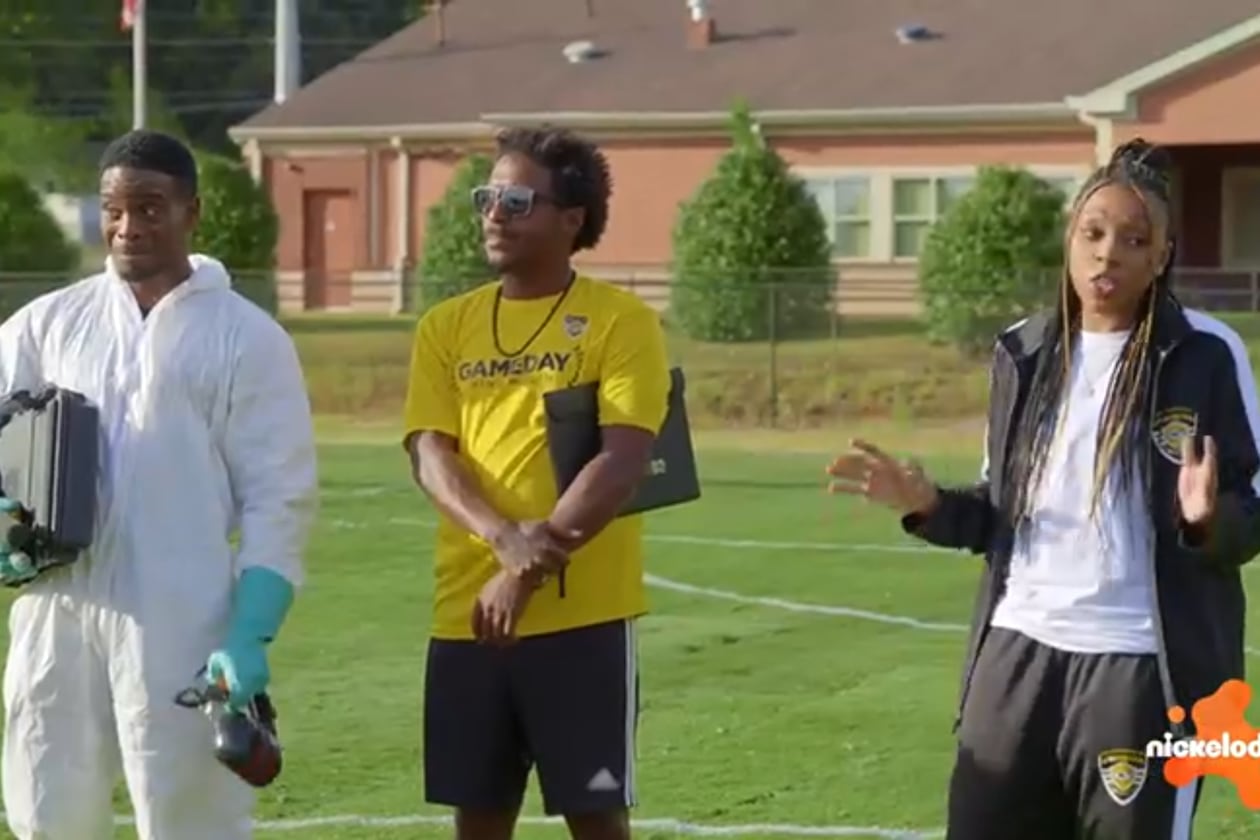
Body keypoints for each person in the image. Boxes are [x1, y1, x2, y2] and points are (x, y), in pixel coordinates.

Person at [826, 139, 1260, 839]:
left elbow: (1248, 515)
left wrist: (1206, 520)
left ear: (1162, 255)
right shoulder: (1022, 353)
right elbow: (999, 517)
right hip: (1016, 651)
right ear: (1070, 241)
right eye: (1092, 233)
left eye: (1132, 238)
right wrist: (929, 505)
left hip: (1140, 665)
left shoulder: (1205, 355)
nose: (1106, 254)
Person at [0, 130, 318, 839]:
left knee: (187, 818)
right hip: (59, 605)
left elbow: (280, 494)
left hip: (183, 616)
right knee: (46, 810)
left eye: (149, 208)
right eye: (114, 209)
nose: (128, 226)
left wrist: (250, 630)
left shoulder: (247, 337)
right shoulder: (48, 323)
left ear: (191, 212)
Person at [402, 126, 671, 840]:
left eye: (517, 199)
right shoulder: (445, 326)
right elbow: (430, 451)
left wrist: (525, 569)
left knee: (595, 819)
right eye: (487, 197)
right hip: (468, 615)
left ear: (571, 218)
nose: (494, 212)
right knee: (479, 817)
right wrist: (499, 539)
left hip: (582, 622)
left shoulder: (623, 322)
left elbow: (621, 458)